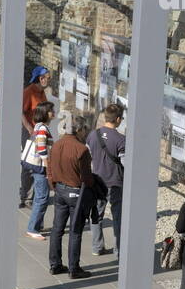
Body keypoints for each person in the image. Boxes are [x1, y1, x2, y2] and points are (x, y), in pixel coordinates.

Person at [46, 115, 95, 278]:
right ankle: (74, 268)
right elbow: (87, 178)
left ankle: (55, 264)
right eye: (84, 130)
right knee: (75, 231)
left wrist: (54, 185)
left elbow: (49, 168)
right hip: (76, 193)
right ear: (79, 130)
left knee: (57, 229)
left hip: (60, 190)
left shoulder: (56, 145)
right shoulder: (81, 150)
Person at [87, 103, 126, 255]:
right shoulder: (121, 140)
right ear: (117, 119)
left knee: (96, 215)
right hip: (115, 183)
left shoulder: (92, 135)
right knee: (118, 217)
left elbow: (88, 157)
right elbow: (125, 163)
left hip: (97, 181)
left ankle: (97, 247)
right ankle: (119, 250)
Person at [19, 66, 52, 208]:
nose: (50, 81)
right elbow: (20, 111)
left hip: (39, 131)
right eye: (48, 78)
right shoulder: (29, 92)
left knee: (37, 162)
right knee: (30, 163)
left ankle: (32, 195)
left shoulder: (42, 92)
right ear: (41, 78)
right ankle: (25, 196)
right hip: (31, 132)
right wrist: (29, 128)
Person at [22, 102, 54, 240]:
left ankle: (37, 225)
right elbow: (42, 149)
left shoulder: (38, 126)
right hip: (40, 167)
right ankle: (33, 228)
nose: (54, 112)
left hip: (35, 166)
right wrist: (48, 168)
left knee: (39, 196)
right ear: (46, 113)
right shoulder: (42, 129)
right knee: (42, 197)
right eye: (52, 110)